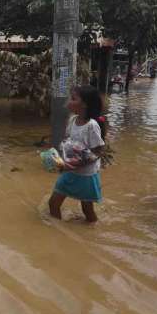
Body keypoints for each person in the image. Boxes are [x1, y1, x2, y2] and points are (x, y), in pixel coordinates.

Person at [49, 86, 106, 223]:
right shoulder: (72, 120)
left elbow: (98, 151)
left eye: (73, 98)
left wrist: (77, 163)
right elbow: (68, 140)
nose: (69, 101)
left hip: (85, 175)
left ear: (84, 105)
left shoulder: (91, 126)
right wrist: (60, 159)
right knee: (53, 203)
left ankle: (92, 233)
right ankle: (56, 232)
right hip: (69, 171)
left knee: (87, 209)